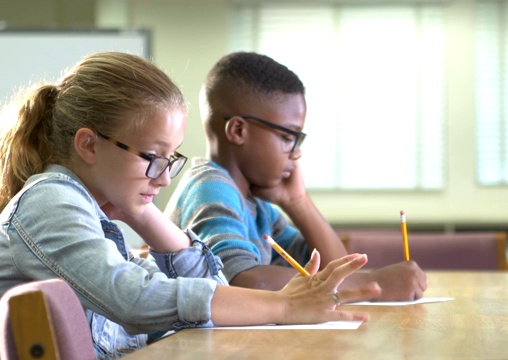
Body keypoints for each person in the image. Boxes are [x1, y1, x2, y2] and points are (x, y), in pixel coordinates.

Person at [0, 51, 381, 359]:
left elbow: (207, 292)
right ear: (88, 145)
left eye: (171, 159)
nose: (165, 178)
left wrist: (145, 214)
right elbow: (134, 298)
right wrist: (283, 307)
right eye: (153, 156)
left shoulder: (96, 215)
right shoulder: (49, 201)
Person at [165, 52, 427, 301]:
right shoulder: (210, 187)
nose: (297, 152)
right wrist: (373, 285)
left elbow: (335, 267)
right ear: (238, 130)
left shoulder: (257, 204)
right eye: (289, 137)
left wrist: (298, 202)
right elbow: (242, 281)